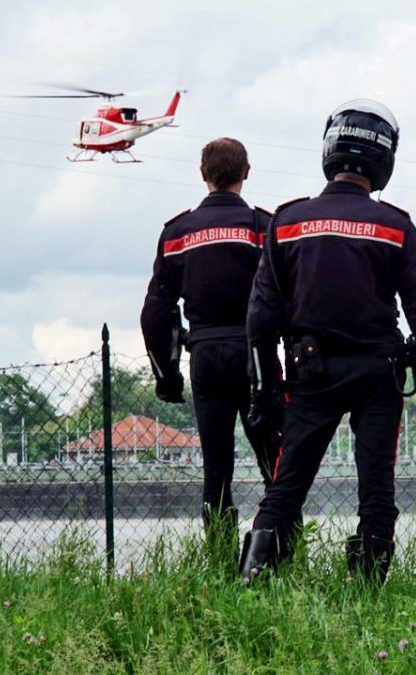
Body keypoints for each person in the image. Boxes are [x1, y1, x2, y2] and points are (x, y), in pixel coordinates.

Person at [239, 100, 416, 585]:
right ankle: (366, 593)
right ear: (385, 158)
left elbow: (260, 319)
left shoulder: (287, 221)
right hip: (376, 374)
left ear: (329, 150)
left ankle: (251, 586)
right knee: (377, 490)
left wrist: (263, 392)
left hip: (308, 374)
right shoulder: (395, 226)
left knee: (285, 487)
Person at [140, 138, 280, 547]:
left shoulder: (177, 233)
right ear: (246, 172)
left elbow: (155, 313)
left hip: (204, 355)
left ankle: (220, 561)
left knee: (216, 468)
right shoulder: (262, 228)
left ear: (203, 174)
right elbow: (285, 299)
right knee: (275, 462)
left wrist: (166, 376)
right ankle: (277, 551)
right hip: (256, 358)